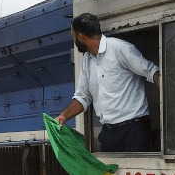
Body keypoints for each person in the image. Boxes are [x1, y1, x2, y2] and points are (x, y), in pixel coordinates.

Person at [54, 12, 161, 153]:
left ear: (81, 37)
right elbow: (82, 97)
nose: (73, 40)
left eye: (73, 36)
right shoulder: (87, 60)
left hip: (134, 131)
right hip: (109, 133)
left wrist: (168, 90)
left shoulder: (120, 48)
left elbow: (151, 71)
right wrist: (63, 116)